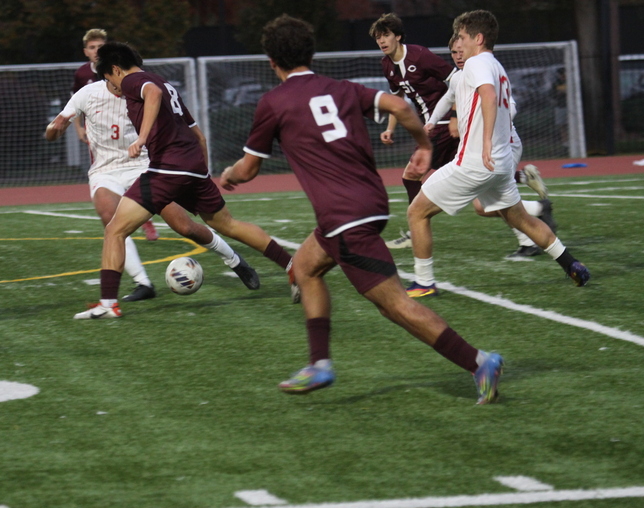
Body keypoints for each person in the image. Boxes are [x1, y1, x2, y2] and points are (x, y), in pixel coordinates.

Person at [220, 15, 503, 404]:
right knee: (303, 267)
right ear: (311, 53)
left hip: (344, 215)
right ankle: (318, 362)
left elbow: (249, 169)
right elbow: (399, 105)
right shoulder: (340, 87)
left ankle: (478, 361)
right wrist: (422, 144)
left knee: (395, 306)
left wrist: (231, 174)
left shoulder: (274, 102)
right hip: (366, 203)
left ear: (272, 61)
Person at [73, 41, 298, 320]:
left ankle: (108, 304)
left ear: (115, 69)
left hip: (167, 167)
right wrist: (201, 172)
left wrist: (142, 138)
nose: (112, 86)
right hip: (192, 165)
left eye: (108, 78)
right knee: (226, 224)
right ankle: (292, 266)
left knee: (115, 230)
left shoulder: (134, 81)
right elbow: (199, 136)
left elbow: (151, 94)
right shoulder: (166, 83)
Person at [406, 10, 590, 298]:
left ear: (478, 39)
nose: (459, 44)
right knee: (521, 220)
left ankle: (424, 283)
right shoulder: (495, 65)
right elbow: (472, 97)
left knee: (417, 212)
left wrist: (487, 140)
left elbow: (489, 97)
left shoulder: (477, 63)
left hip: (476, 161)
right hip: (500, 165)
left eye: (464, 37)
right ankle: (572, 264)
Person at [46, 77, 261, 303]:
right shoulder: (87, 93)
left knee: (184, 226)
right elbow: (58, 123)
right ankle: (142, 283)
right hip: (105, 170)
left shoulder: (142, 91)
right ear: (108, 73)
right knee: (112, 222)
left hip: (145, 166)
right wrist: (54, 129)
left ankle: (234, 260)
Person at [426, 34, 557, 264]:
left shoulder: (482, 68)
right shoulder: (461, 75)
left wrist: (489, 129)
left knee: (485, 204)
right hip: (492, 146)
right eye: (454, 53)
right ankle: (533, 207)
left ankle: (535, 221)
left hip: (503, 144)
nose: (458, 56)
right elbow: (448, 97)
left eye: (461, 49)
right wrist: (432, 121)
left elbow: (510, 106)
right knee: (486, 205)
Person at [369, 13, 458, 249]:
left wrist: (456, 117)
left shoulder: (419, 55)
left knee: (410, 175)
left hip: (442, 123)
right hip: (432, 125)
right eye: (378, 37)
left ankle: (415, 230)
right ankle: (526, 186)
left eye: (386, 35)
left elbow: (456, 79)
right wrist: (389, 128)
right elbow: (396, 98)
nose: (382, 41)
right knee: (474, 179)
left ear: (398, 36)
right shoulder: (387, 65)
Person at [72, 28, 159, 242]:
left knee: (140, 177)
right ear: (85, 51)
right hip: (101, 134)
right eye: (92, 47)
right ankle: (129, 221)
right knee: (110, 179)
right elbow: (74, 103)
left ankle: (146, 218)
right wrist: (79, 128)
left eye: (100, 47)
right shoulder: (82, 75)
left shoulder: (119, 68)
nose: (96, 51)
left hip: (129, 132)